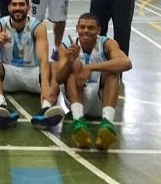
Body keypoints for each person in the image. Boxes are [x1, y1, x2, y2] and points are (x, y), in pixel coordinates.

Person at [0, 0, 64, 129]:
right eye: (14, 5)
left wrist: (44, 84)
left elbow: (43, 58)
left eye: (21, 5)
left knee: (55, 66)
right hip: (9, 73)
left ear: (28, 7)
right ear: (9, 8)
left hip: (32, 72)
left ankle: (46, 109)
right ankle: (2, 106)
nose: (17, 8)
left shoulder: (37, 26)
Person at [54, 12, 132, 150]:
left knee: (113, 73)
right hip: (77, 96)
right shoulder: (67, 46)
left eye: (90, 28)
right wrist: (69, 61)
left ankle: (107, 123)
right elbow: (59, 78)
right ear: (77, 28)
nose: (86, 31)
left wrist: (90, 68)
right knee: (72, 70)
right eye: (82, 27)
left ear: (98, 30)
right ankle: (79, 123)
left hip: (100, 100)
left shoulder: (107, 43)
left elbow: (126, 63)